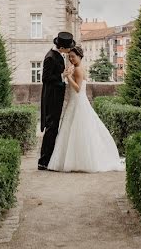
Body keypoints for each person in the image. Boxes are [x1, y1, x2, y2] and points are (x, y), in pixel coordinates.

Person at [46, 45, 124, 172]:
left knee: (77, 129)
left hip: (77, 101)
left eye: (73, 56)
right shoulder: (78, 67)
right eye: (69, 56)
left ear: (80, 56)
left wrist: (68, 77)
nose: (71, 59)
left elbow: (77, 88)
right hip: (76, 102)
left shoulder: (77, 70)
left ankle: (75, 161)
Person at [38, 31, 74, 170]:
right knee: (51, 128)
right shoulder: (50, 57)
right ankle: (43, 161)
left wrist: (62, 75)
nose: (69, 50)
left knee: (53, 128)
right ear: (62, 47)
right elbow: (46, 78)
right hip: (51, 98)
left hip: (55, 97)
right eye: (68, 47)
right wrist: (62, 75)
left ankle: (48, 159)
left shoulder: (57, 55)